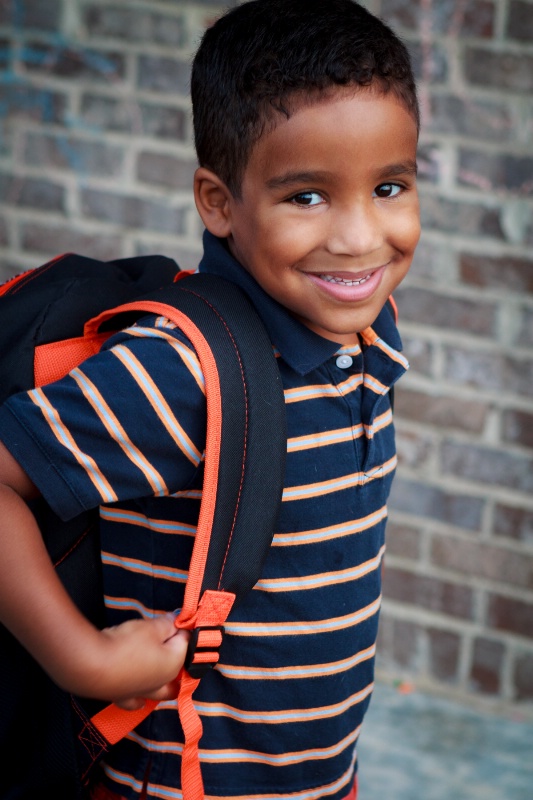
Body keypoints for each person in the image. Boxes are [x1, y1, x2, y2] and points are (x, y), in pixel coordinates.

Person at [0, 0, 420, 797]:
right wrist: (81, 658)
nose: (362, 238)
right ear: (218, 201)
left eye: (389, 186)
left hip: (318, 778)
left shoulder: (365, 329)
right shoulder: (184, 372)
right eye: (307, 197)